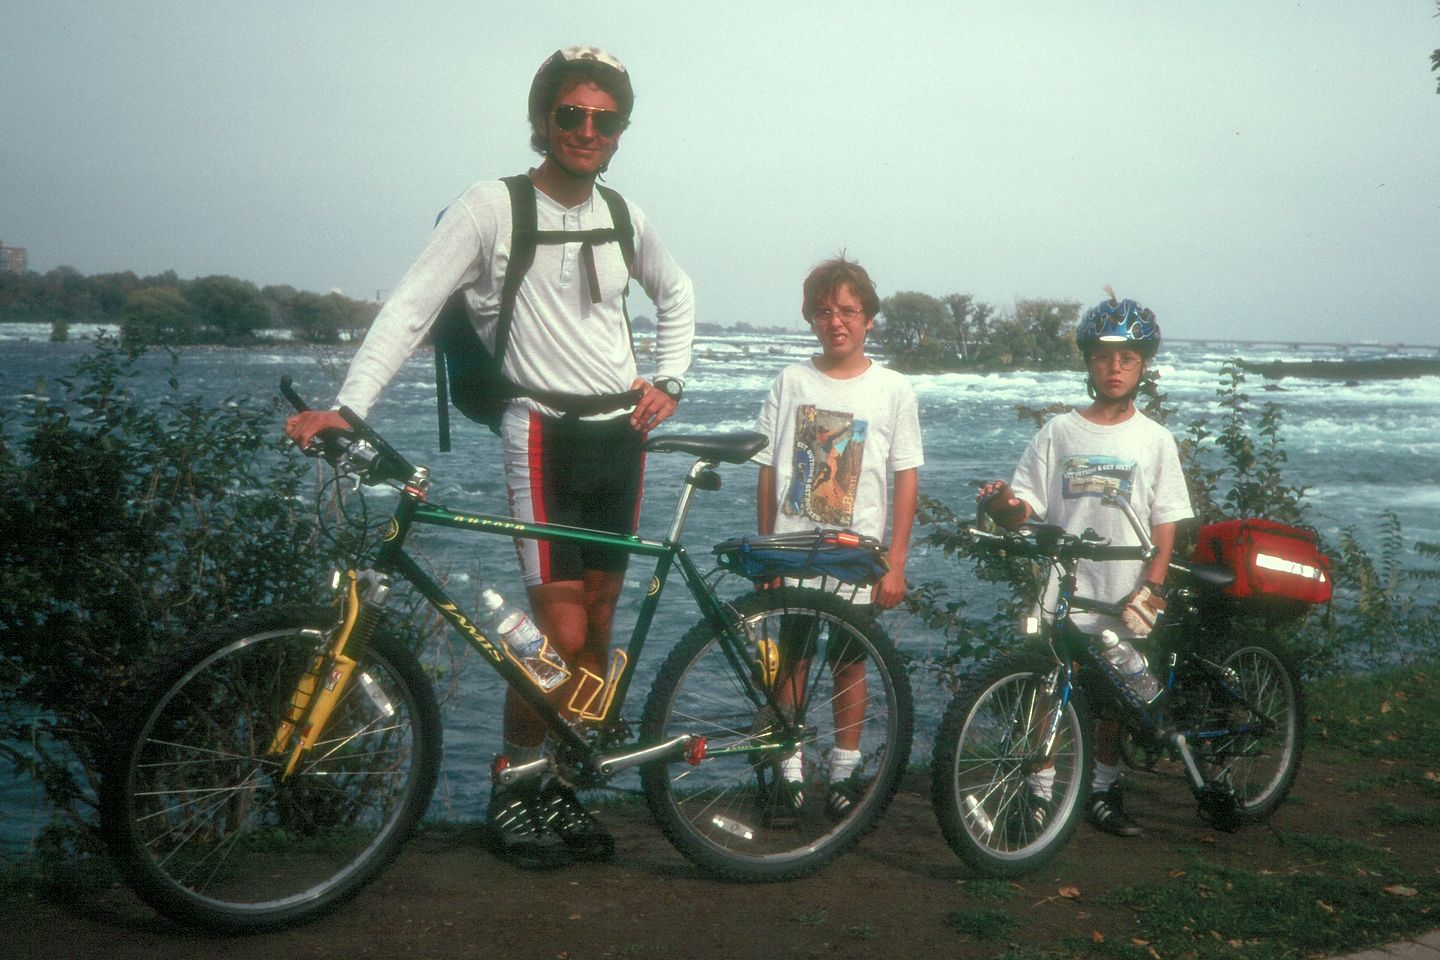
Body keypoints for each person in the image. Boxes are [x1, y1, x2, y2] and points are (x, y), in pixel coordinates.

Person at [284, 45, 695, 868]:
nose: (587, 129)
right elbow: (410, 308)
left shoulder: (624, 215)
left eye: (604, 119)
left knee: (601, 630)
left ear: (620, 131)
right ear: (543, 120)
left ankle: (561, 793)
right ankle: (514, 790)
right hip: (540, 434)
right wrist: (351, 408)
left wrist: (671, 381)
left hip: (623, 438)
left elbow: (677, 292)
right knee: (557, 631)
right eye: (571, 115)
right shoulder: (490, 207)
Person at [977, 290, 1193, 837]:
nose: (1113, 368)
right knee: (1048, 689)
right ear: (1088, 364)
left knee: (1112, 700)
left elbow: (1167, 519)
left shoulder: (1155, 440)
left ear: (1143, 365)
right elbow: (1024, 507)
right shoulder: (1060, 431)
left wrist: (1156, 584)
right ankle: (1039, 794)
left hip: (1125, 590)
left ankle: (1102, 789)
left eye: (1126, 358)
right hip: (1062, 587)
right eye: (1102, 357)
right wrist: (1002, 505)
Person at [752, 257, 923, 819]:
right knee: (794, 660)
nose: (837, 322)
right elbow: (768, 471)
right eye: (824, 312)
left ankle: (846, 772)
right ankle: (789, 772)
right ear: (811, 319)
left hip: (858, 558)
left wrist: (895, 563)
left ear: (869, 318)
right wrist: (765, 551)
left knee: (851, 662)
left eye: (848, 311)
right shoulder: (791, 382)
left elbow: (905, 478)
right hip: (797, 551)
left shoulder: (893, 389)